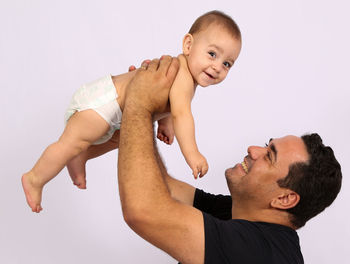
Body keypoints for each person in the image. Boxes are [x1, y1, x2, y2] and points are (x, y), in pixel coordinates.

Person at [117, 56, 342, 263]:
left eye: (269, 156)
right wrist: (149, 115)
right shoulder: (240, 212)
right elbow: (163, 187)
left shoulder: (261, 253)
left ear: (284, 199)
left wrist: (139, 103)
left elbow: (144, 210)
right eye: (266, 145)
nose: (253, 150)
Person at [21, 10, 242, 213]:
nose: (217, 67)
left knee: (120, 140)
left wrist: (165, 124)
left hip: (113, 112)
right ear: (188, 45)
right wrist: (192, 153)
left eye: (227, 64)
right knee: (70, 142)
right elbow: (182, 114)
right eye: (212, 54)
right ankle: (35, 178)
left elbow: (170, 106)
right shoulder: (183, 74)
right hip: (103, 101)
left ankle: (81, 156)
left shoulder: (185, 77)